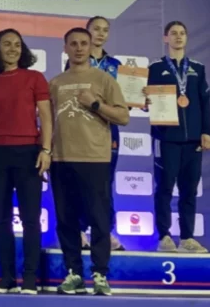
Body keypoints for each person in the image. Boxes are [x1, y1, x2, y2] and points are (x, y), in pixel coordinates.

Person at [50, 27, 129, 296]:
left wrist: (95, 104)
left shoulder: (104, 79)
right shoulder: (55, 83)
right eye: (73, 44)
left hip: (95, 159)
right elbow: (46, 121)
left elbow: (123, 117)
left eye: (83, 43)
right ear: (65, 48)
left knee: (99, 219)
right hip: (61, 159)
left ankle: (100, 274)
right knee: (66, 220)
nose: (79, 48)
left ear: (90, 46)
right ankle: (73, 273)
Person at [0, 29, 52, 295]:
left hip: (29, 153)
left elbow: (46, 117)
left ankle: (30, 279)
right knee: (1, 219)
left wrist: (46, 150)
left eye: (17, 44)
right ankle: (7, 278)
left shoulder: (35, 78)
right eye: (7, 44)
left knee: (31, 219)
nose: (12, 49)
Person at [145, 21, 210, 253]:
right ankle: (164, 236)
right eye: (173, 33)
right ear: (166, 38)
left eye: (182, 33)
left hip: (192, 140)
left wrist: (206, 131)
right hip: (166, 138)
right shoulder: (155, 68)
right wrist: (145, 100)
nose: (178, 37)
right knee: (164, 187)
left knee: (189, 190)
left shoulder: (197, 68)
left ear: (187, 38)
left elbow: (205, 102)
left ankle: (187, 238)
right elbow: (146, 100)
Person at [64, 16, 125, 251]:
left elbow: (124, 103)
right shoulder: (75, 62)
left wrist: (140, 100)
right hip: (81, 128)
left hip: (108, 130)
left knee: (105, 182)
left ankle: (105, 232)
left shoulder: (117, 65)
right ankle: (79, 231)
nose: (100, 34)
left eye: (105, 30)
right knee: (80, 181)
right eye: (96, 29)